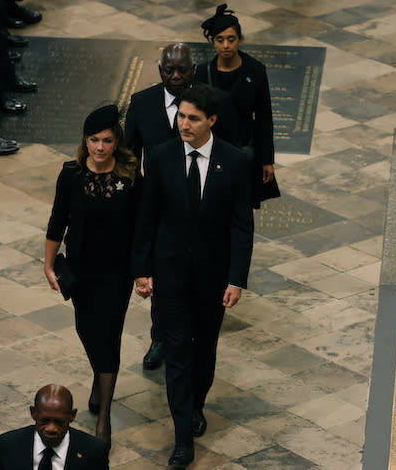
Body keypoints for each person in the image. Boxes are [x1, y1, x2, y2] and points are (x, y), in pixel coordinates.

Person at [132, 84, 254, 468]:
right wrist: (142, 270)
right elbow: (147, 218)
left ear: (211, 121)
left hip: (213, 278)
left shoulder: (234, 161)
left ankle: (196, 404)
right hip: (170, 276)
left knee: (203, 352)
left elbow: (241, 227)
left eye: (193, 118)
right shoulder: (161, 157)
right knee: (179, 354)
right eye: (181, 116)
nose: (184, 124)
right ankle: (183, 436)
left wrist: (236, 279)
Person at [125, 42, 240, 371]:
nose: (175, 76)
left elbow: (231, 148)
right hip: (160, 206)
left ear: (194, 70)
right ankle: (160, 336)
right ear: (160, 70)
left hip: (204, 199)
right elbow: (130, 154)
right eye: (169, 70)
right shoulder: (143, 103)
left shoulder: (214, 103)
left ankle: (195, 333)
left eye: (182, 70)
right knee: (162, 274)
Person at [44, 105, 139, 444]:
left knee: (109, 335)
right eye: (94, 140)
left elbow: (140, 229)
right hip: (81, 270)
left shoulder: (129, 177)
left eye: (108, 141)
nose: (100, 148)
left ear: (117, 142)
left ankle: (105, 418)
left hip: (116, 273)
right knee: (86, 329)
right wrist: (48, 264)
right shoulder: (70, 175)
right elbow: (58, 221)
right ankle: (99, 377)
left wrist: (142, 271)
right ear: (85, 141)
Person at [196, 4, 277, 209]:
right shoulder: (202, 73)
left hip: (242, 149)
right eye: (219, 40)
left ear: (240, 40)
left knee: (242, 207)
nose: (225, 45)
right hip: (211, 150)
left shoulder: (256, 70)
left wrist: (267, 160)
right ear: (212, 42)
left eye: (231, 39)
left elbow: (264, 117)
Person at [0, 384, 109, 470]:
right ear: (33, 413)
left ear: (72, 416)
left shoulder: (94, 450)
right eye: (45, 421)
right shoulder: (8, 445)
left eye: (58, 422)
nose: (51, 428)